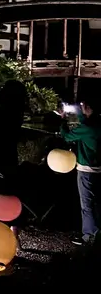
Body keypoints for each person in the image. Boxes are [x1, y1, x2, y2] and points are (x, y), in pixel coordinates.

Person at [58, 96, 98, 249]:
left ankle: (88, 236)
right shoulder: (96, 125)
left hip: (87, 170)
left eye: (84, 104)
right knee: (97, 203)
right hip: (98, 169)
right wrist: (74, 114)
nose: (82, 106)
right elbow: (78, 126)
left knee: (87, 204)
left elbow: (68, 136)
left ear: (89, 109)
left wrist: (63, 120)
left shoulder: (87, 129)